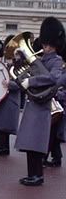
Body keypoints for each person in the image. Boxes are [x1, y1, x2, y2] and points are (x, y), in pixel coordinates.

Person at [16, 17, 64, 186]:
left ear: (54, 44)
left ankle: (37, 175)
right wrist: (21, 77)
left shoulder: (56, 61)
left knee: (36, 143)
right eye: (45, 43)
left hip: (43, 106)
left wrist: (32, 82)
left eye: (49, 44)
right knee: (30, 143)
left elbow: (54, 78)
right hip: (33, 104)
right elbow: (27, 76)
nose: (46, 47)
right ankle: (32, 174)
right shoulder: (41, 59)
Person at [0, 35, 21, 156]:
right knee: (1, 124)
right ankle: (2, 147)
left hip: (11, 99)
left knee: (4, 124)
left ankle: (1, 147)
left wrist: (9, 84)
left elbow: (20, 84)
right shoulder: (7, 63)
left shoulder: (20, 65)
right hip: (3, 98)